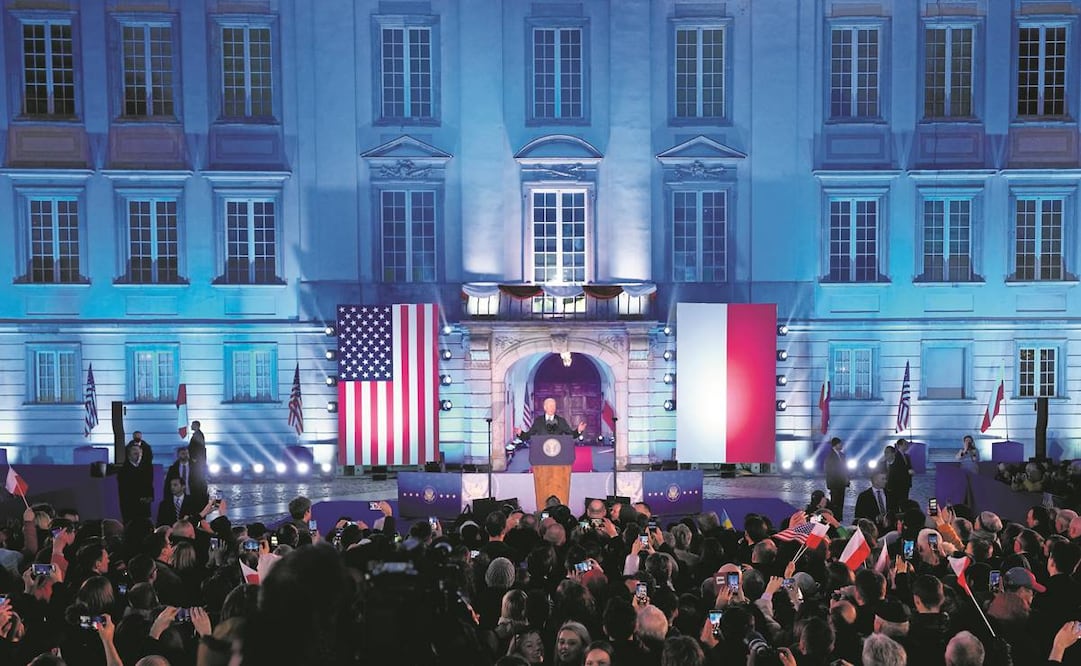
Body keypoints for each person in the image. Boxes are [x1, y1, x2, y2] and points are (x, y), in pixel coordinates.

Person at [117, 441, 154, 524]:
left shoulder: (147, 469)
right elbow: (125, 491)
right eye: (135, 451)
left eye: (140, 452)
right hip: (130, 509)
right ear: (129, 454)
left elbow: (149, 485)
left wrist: (149, 498)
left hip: (145, 509)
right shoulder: (124, 470)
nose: (138, 454)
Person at [516, 398, 586, 441]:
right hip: (542, 452)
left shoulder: (561, 421)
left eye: (554, 406)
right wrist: (520, 433)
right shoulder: (538, 421)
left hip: (557, 452)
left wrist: (578, 431)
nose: (552, 408)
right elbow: (528, 435)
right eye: (550, 406)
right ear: (545, 407)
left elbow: (571, 435)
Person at [824, 437, 849, 521]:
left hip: (842, 483)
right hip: (834, 483)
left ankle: (839, 517)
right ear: (835, 445)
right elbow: (829, 470)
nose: (841, 445)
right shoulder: (830, 456)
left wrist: (846, 477)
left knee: (841, 501)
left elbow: (845, 468)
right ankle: (834, 518)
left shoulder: (842, 455)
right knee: (835, 502)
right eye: (840, 444)